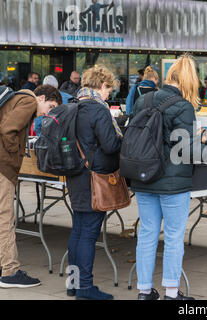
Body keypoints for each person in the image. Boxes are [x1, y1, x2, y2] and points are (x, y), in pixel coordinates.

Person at [130, 55, 207, 300]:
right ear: (188, 81)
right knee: (173, 236)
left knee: (147, 233)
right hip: (173, 182)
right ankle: (171, 292)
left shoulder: (144, 100)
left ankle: (144, 291)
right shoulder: (183, 106)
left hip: (143, 176)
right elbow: (184, 150)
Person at [65, 65, 123, 300]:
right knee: (88, 233)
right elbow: (110, 145)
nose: (109, 93)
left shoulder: (74, 106)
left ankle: (73, 284)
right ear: (101, 85)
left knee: (78, 230)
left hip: (76, 174)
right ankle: (85, 289)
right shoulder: (98, 110)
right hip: (94, 178)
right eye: (108, 88)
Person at [0, 85, 61, 288]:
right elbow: (8, 129)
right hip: (3, 167)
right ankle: (10, 271)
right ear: (41, 97)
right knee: (5, 219)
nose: (48, 112)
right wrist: (13, 154)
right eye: (50, 106)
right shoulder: (28, 101)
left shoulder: (17, 99)